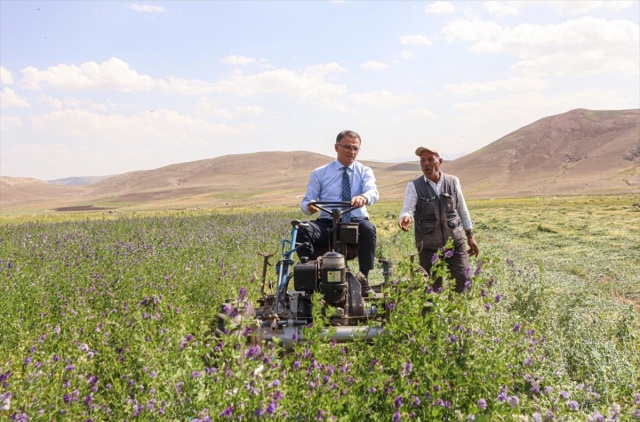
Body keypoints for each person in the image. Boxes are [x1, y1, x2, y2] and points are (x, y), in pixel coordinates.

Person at [297, 130, 380, 296]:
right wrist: (310, 206)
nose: (352, 152)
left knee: (368, 229)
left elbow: (373, 192)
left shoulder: (365, 171)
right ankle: (314, 276)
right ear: (337, 147)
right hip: (327, 222)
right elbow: (307, 202)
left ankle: (363, 279)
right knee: (302, 230)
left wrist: (363, 197)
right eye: (348, 147)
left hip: (355, 220)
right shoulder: (320, 173)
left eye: (356, 148)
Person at [398, 146, 479, 293]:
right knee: (431, 288)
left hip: (455, 243)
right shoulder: (414, 186)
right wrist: (406, 217)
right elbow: (407, 208)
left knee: (463, 281)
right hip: (428, 246)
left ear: (440, 161)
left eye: (430, 159)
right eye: (422, 160)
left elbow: (462, 209)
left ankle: (459, 315)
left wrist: (470, 236)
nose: (426, 164)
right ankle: (432, 316)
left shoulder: (453, 182)